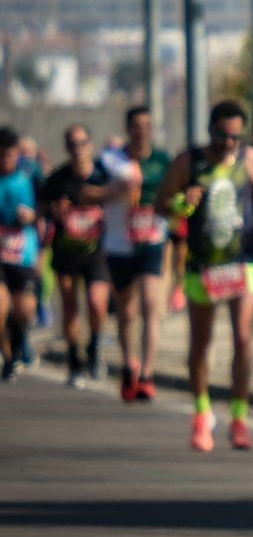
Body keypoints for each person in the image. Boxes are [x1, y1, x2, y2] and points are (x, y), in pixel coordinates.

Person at [158, 100, 253, 452]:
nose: (229, 144)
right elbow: (161, 202)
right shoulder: (189, 162)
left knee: (244, 338)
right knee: (201, 342)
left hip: (242, 260)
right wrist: (183, 202)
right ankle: (201, 413)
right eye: (222, 136)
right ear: (210, 131)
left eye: (235, 137)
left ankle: (240, 417)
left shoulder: (251, 159)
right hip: (204, 265)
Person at [101, 106, 172, 400]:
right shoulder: (110, 160)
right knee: (127, 311)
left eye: (147, 125)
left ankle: (147, 373)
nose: (142, 130)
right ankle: (129, 364)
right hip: (119, 243)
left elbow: (175, 192)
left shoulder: (162, 160)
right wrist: (114, 191)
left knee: (151, 304)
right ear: (128, 128)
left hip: (152, 239)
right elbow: (87, 193)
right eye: (136, 125)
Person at [41, 124, 117, 387]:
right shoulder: (58, 179)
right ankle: (75, 361)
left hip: (97, 251)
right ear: (67, 148)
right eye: (72, 145)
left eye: (82, 143)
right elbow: (42, 208)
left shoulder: (102, 174)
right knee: (70, 307)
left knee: (97, 303)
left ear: (90, 145)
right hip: (65, 252)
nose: (78, 150)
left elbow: (119, 200)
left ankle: (95, 346)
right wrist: (54, 211)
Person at [0, 128, 41, 380]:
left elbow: (48, 204)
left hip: (23, 251)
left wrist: (34, 216)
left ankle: (19, 341)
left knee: (25, 310)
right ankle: (8, 358)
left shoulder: (32, 174)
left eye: (10, 156)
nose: (6, 161)